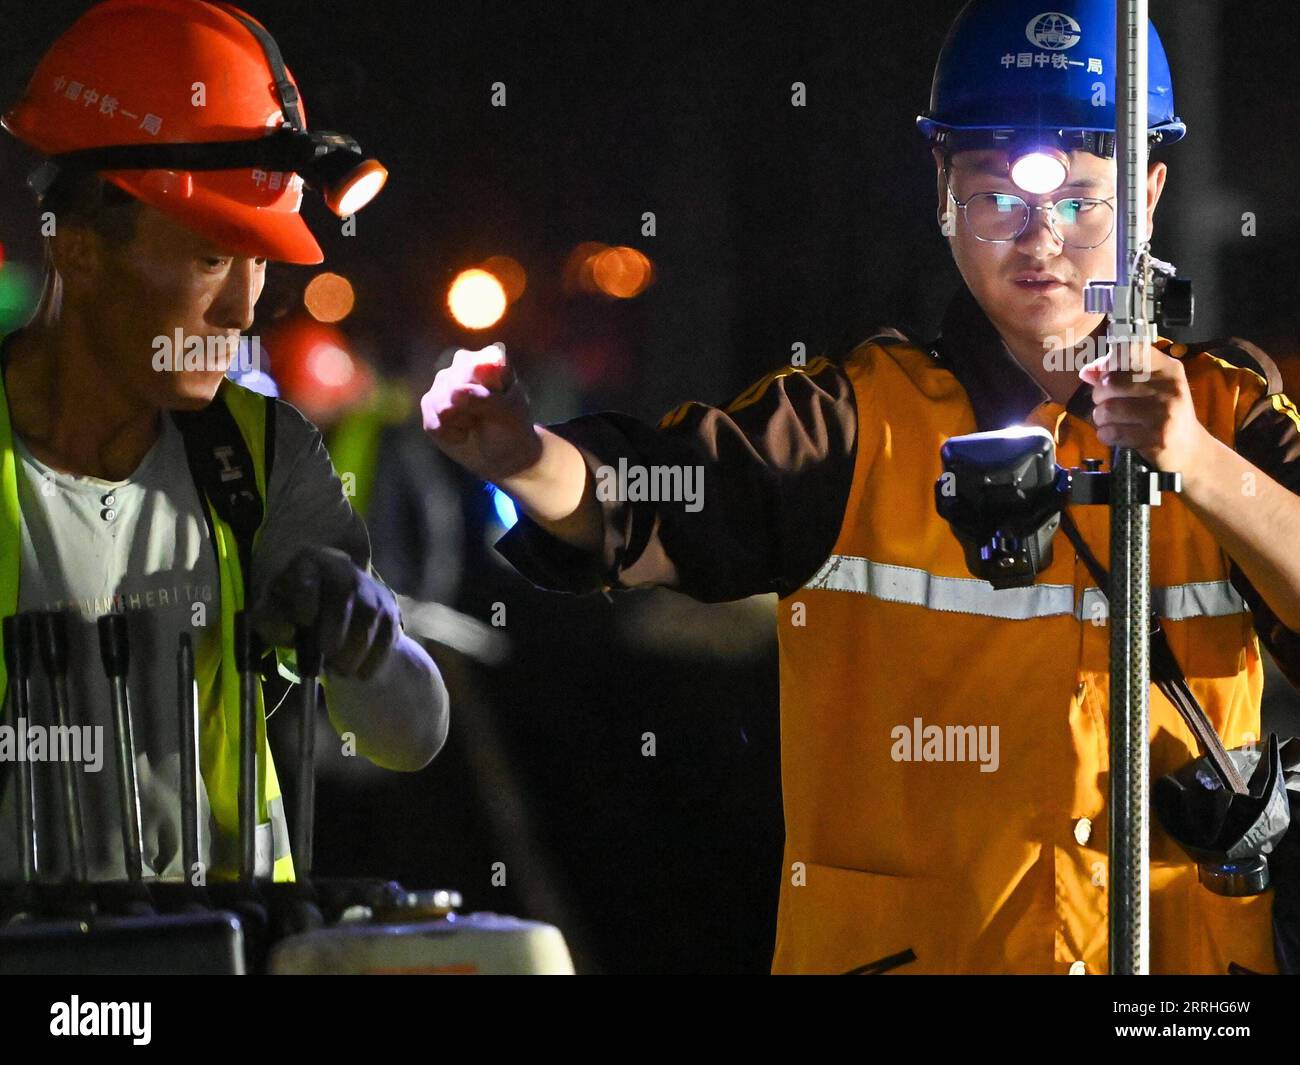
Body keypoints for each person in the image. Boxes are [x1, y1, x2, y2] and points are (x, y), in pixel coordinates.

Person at [422, 0, 1300, 974]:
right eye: (998, 196)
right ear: (941, 191)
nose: (1038, 240)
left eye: (1080, 200)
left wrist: (1197, 463)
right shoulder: (854, 423)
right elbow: (666, 496)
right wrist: (525, 455)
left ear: (1146, 193)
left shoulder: (1228, 412)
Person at [0, 0, 448, 884]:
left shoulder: (257, 453)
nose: (245, 311)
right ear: (80, 247)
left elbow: (411, 732)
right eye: (212, 259)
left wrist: (365, 637)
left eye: (259, 265)